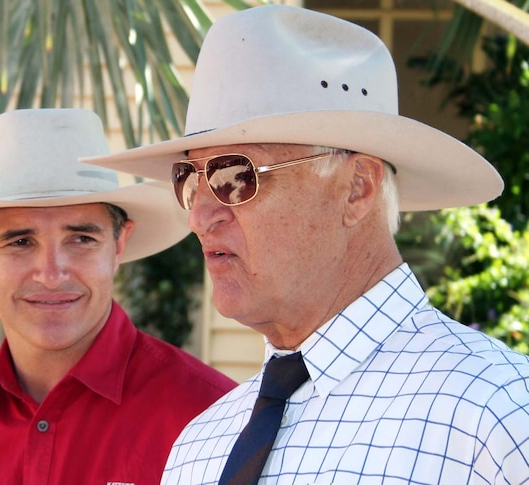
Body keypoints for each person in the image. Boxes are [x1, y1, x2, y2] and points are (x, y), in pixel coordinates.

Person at [84, 5, 529, 484]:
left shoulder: (497, 415)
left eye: (236, 176)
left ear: (356, 188)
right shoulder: (202, 443)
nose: (199, 216)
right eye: (188, 179)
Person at [0, 108, 236, 484]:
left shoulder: (213, 422)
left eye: (82, 239)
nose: (52, 275)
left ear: (119, 245)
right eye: (20, 242)